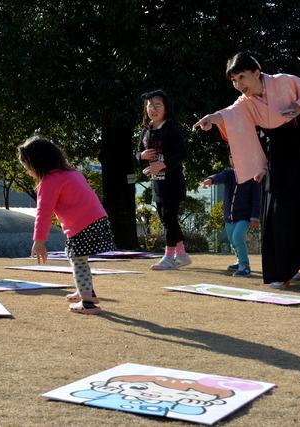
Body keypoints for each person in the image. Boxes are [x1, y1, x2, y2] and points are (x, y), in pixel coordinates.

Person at [193, 51, 300, 290]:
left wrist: (299, 107)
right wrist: (212, 118)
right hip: (279, 153)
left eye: (242, 77)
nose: (239, 85)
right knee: (280, 209)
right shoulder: (246, 103)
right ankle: (284, 269)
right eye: (234, 81)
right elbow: (230, 114)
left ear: (257, 73)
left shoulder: (283, 80)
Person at [18, 135, 115, 315]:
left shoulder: (49, 182)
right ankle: (85, 291)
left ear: (38, 163)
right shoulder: (72, 173)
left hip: (84, 225)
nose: (28, 171)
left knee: (78, 261)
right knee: (76, 257)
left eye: (28, 167)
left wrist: (39, 241)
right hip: (98, 220)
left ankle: (88, 303)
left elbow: (43, 213)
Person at [137, 89, 191, 270]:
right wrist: (141, 156)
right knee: (166, 218)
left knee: (169, 218)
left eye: (157, 105)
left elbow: (182, 153)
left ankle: (169, 257)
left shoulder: (171, 129)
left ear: (166, 108)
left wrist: (163, 164)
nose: (153, 109)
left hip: (173, 183)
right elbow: (137, 154)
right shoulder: (146, 131)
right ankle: (182, 255)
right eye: (149, 106)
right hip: (157, 183)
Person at [202, 155, 261, 277]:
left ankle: (245, 266)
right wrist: (211, 179)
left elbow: (257, 198)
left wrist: (255, 217)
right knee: (232, 241)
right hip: (229, 216)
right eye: (232, 156)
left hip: (244, 217)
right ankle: (240, 260)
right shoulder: (228, 173)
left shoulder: (253, 177)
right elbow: (219, 176)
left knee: (238, 237)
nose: (235, 159)